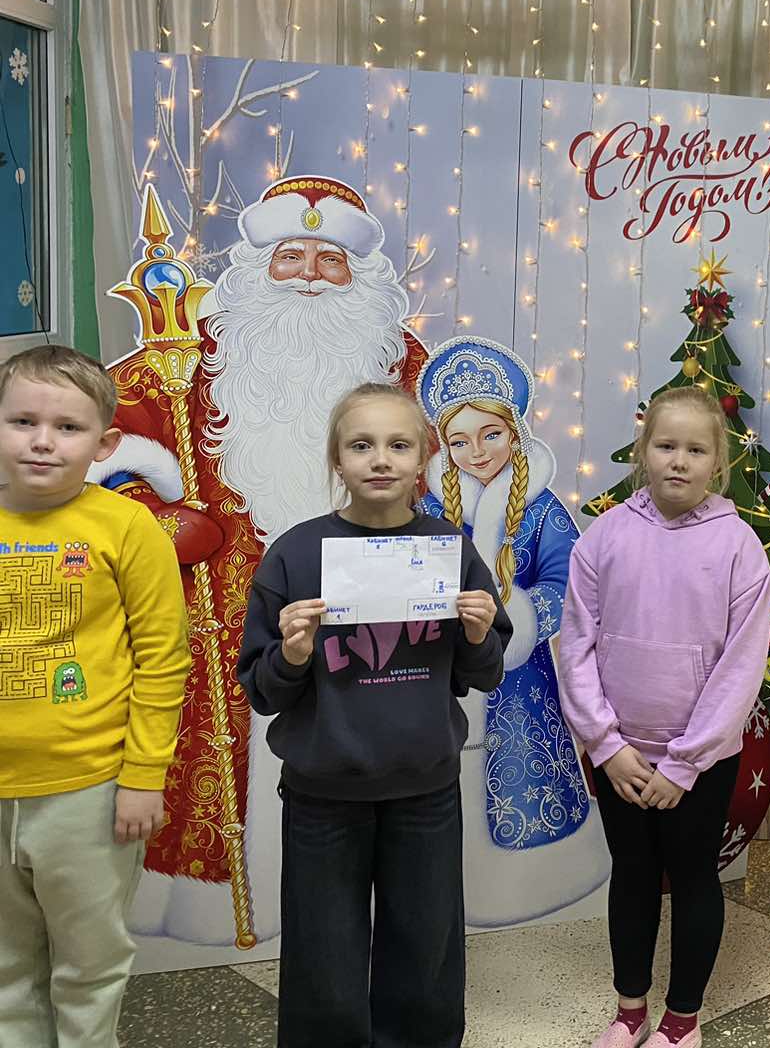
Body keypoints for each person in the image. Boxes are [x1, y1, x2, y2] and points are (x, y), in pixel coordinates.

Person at [92, 176, 428, 947]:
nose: (310, 273)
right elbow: (102, 436)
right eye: (290, 255)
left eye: (331, 258)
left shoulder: (398, 358)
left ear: (359, 272)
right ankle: (228, 910)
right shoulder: (188, 356)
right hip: (227, 599)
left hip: (364, 596)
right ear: (257, 264)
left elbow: (448, 460)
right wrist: (157, 518)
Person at [236, 383, 510, 1047]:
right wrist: (292, 654)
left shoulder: (450, 550)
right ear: (337, 459)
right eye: (361, 445)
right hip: (324, 796)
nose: (380, 459)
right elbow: (263, 693)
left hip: (425, 792)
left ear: (422, 460)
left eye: (398, 445)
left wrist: (478, 636)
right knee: (324, 966)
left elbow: (484, 674)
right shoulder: (296, 555)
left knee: (425, 959)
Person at [557, 386, 770, 1048]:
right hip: (620, 755)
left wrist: (685, 762)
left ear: (718, 463)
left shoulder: (739, 547)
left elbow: (741, 668)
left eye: (696, 449)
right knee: (631, 875)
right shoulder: (605, 536)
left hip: (700, 763)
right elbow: (576, 645)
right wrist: (605, 744)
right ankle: (630, 1011)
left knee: (694, 876)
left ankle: (682, 1021)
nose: (679, 460)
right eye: (666, 445)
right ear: (643, 450)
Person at [0, 346, 189, 1047]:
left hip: (89, 790)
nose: (43, 441)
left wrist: (142, 777)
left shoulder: (126, 528)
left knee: (88, 968)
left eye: (68, 428)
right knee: (6, 969)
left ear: (105, 444)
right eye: (23, 421)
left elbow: (162, 660)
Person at [419, 336, 607, 928]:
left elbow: (569, 581)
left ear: (514, 431)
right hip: (445, 673)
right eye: (459, 441)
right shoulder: (430, 509)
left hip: (520, 675)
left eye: (490, 435)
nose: (476, 452)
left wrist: (516, 619)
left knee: (522, 767)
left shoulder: (542, 508)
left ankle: (535, 880)